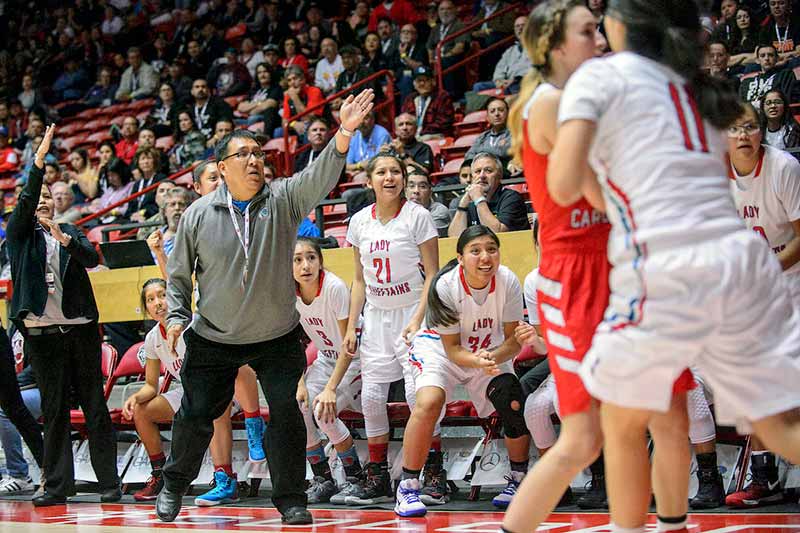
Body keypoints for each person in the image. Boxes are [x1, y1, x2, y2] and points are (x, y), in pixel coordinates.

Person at [546, 3, 800, 533]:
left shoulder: (601, 76)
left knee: (617, 417)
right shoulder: (696, 83)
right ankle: (671, 523)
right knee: (779, 426)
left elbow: (564, 184)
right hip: (741, 257)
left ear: (620, 26)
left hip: (666, 263)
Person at [156, 89, 376, 524]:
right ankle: (174, 483)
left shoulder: (284, 200)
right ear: (222, 168)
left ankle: (292, 499)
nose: (255, 160)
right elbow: (179, 276)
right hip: (214, 337)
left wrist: (344, 131)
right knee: (196, 414)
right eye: (244, 154)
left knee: (287, 416)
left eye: (259, 153)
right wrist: (179, 318)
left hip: (276, 336)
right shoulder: (197, 215)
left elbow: (321, 176)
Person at [500, 4, 613, 530]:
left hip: (612, 264)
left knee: (646, 418)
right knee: (585, 437)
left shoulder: (578, 100)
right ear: (555, 44)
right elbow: (596, 192)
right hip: (578, 271)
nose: (601, 38)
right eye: (588, 31)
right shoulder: (549, 105)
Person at [6, 124, 120, 507]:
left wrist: (66, 239)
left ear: (57, 204)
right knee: (54, 411)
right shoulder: (20, 236)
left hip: (80, 332)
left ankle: (110, 483)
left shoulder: (72, 231)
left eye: (48, 198)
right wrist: (37, 164)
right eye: (36, 198)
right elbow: (24, 203)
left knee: (94, 406)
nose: (41, 202)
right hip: (43, 336)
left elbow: (91, 259)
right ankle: (57, 485)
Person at [395, 225, 529, 516]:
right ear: (460, 257)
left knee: (511, 398)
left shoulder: (508, 281)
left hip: (486, 351)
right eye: (476, 251)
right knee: (429, 402)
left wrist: (490, 357)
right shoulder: (445, 285)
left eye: (491, 249)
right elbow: (454, 349)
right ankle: (407, 487)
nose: (485, 257)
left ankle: (519, 479)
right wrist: (480, 359)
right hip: (439, 351)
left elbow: (512, 342)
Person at [341, 152, 440, 506]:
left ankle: (433, 471)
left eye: (395, 171)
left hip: (414, 313)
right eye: (381, 172)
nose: (389, 178)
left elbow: (434, 274)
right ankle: (378, 475)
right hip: (377, 317)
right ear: (370, 180)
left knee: (419, 396)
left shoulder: (418, 217)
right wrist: (352, 325)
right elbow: (358, 280)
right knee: (370, 397)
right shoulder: (358, 222)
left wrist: (418, 318)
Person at [292, 238, 364, 504]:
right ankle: (323, 479)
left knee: (324, 411)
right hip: (325, 359)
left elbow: (349, 343)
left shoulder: (333, 287)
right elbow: (291, 344)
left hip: (357, 358)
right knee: (299, 405)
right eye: (297, 259)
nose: (305, 265)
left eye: (311, 257)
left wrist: (330, 388)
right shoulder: (289, 293)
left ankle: (356, 478)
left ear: (320, 261)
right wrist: (300, 382)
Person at [448, 153, 529, 237]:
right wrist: (462, 206)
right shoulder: (467, 201)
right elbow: (454, 239)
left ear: (499, 175)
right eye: (477, 171)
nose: (482, 176)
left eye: (488, 171)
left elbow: (498, 235)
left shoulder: (512, 198)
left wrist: (479, 199)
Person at [400, 66, 455, 139]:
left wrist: (420, 133)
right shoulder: (410, 99)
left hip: (435, 136)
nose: (422, 83)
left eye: (426, 80)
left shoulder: (442, 97)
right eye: (419, 80)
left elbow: (443, 123)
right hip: (413, 137)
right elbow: (403, 120)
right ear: (414, 84)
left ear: (433, 82)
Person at [465, 98, 513, 168]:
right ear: (487, 117)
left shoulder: (514, 133)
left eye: (501, 110)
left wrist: (481, 152)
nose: (497, 114)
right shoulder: (483, 137)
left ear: (508, 113)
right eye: (492, 111)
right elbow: (469, 155)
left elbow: (504, 152)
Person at [238, 63, 282, 133]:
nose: (262, 75)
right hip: (248, 119)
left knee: (253, 118)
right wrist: (259, 103)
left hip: (265, 119)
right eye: (259, 73)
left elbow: (270, 105)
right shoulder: (254, 89)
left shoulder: (275, 88)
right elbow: (240, 107)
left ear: (270, 73)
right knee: (230, 121)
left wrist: (250, 108)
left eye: (265, 72)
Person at [406, 169, 451, 235]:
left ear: (430, 192)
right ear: (405, 191)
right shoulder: (398, 211)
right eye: (411, 186)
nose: (416, 191)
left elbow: (428, 238)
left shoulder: (439, 211)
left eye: (422, 186)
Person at [130, 146, 167, 222]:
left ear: (155, 161)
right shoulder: (137, 184)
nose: (146, 162)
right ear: (138, 163)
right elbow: (131, 206)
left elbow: (160, 204)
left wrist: (143, 213)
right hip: (136, 219)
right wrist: (132, 216)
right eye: (143, 159)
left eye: (149, 158)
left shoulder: (161, 179)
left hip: (152, 218)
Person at [760, 88, 800, 153]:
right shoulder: (759, 131)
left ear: (784, 106)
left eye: (777, 102)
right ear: (763, 107)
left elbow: (794, 156)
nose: (773, 106)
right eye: (768, 103)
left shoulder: (793, 129)